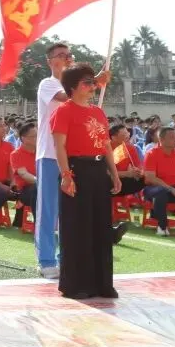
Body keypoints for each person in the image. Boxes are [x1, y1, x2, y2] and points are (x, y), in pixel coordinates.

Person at [34, 43, 109, 279]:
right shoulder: (48, 84)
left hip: (74, 157)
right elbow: (67, 95)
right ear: (50, 61)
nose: (66, 59)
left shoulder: (83, 88)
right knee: (49, 210)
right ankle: (45, 260)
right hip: (49, 154)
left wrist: (94, 84)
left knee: (71, 211)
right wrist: (96, 80)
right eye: (60, 56)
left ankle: (66, 259)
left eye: (69, 55)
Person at [51, 64, 120, 299]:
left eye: (93, 82)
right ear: (73, 87)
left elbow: (106, 145)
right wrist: (66, 175)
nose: (92, 86)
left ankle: (103, 283)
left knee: (101, 226)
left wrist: (114, 172)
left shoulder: (98, 112)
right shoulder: (63, 111)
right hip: (77, 169)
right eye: (87, 83)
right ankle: (77, 284)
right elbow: (59, 146)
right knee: (77, 228)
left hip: (99, 169)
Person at [142, 127, 175, 236]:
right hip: (153, 189)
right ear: (161, 139)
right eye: (172, 137)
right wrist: (171, 189)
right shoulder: (152, 154)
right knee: (161, 193)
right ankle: (162, 226)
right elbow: (151, 178)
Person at [10, 121, 38, 227]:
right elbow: (23, 174)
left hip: (40, 186)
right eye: (34, 136)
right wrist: (41, 182)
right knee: (37, 189)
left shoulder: (41, 152)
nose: (38, 138)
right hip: (24, 190)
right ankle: (39, 226)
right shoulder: (16, 154)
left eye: (38, 135)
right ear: (24, 138)